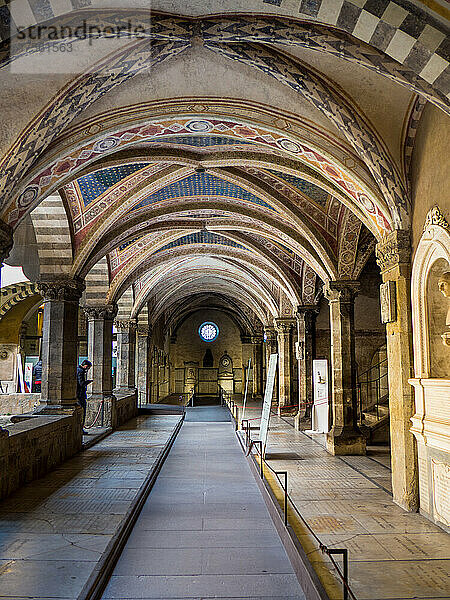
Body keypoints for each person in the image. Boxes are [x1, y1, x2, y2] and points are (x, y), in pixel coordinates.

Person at [76, 359, 92, 434]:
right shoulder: (81, 371)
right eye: (88, 367)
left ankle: (79, 429)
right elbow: (81, 383)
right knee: (83, 412)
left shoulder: (77, 369)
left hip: (78, 394)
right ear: (86, 366)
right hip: (80, 394)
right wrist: (88, 382)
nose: (88, 369)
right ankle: (80, 429)